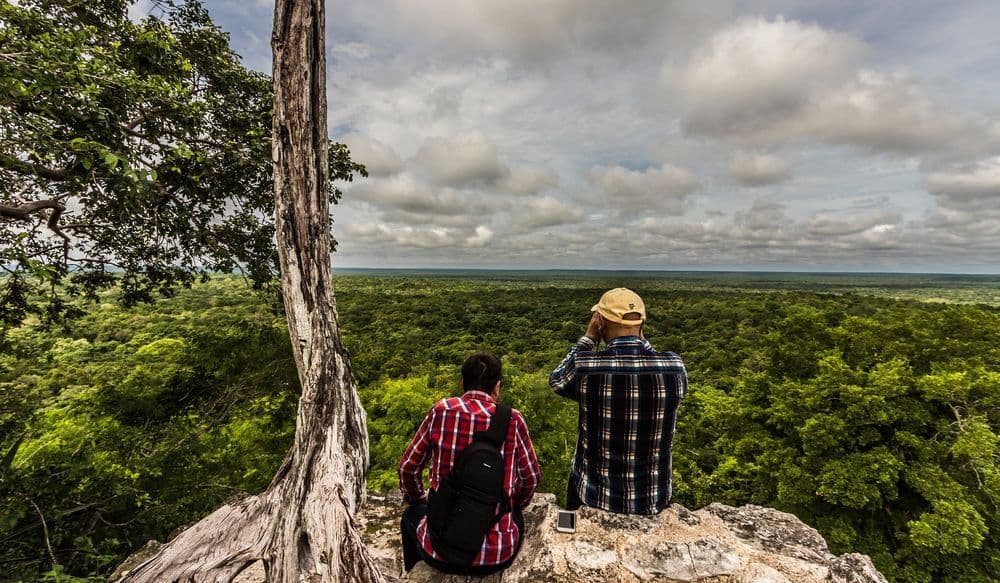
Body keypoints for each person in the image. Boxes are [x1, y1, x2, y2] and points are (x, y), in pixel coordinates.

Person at [399, 351, 541, 575]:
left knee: (410, 515)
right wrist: (513, 505)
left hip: (440, 550)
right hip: (496, 555)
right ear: (497, 387)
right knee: (517, 518)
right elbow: (531, 478)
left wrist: (419, 499)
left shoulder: (441, 411)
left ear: (462, 383)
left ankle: (416, 575)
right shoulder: (513, 420)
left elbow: (408, 468)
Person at [549, 287, 687, 515]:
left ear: (600, 322)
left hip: (593, 496)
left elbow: (557, 381)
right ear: (642, 324)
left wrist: (588, 338)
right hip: (653, 498)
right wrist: (640, 339)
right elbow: (650, 356)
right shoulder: (674, 367)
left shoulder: (587, 366)